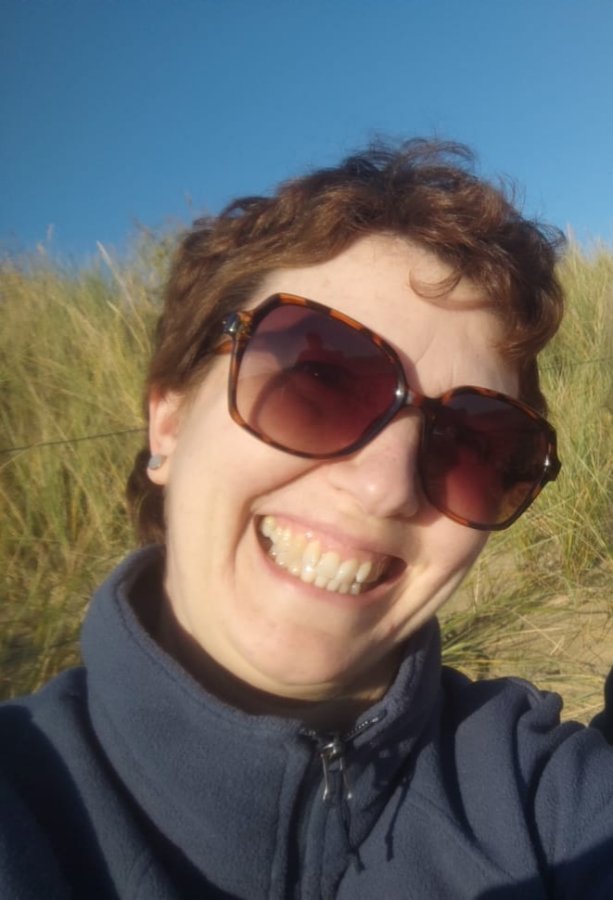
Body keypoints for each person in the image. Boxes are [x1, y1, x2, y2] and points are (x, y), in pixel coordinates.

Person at [1, 139, 612, 899]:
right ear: (169, 423)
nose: (385, 487)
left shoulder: (543, 799)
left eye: (473, 442)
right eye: (318, 380)